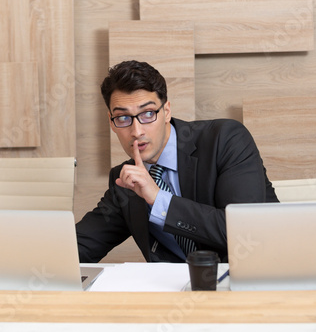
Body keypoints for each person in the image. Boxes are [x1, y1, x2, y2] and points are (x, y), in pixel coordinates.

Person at [76, 60, 278, 263]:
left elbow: (244, 230)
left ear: (167, 111)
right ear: (112, 122)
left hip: (257, 277)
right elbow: (80, 246)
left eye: (148, 114)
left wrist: (157, 198)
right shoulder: (125, 180)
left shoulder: (225, 140)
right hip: (177, 290)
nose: (136, 131)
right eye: (123, 118)